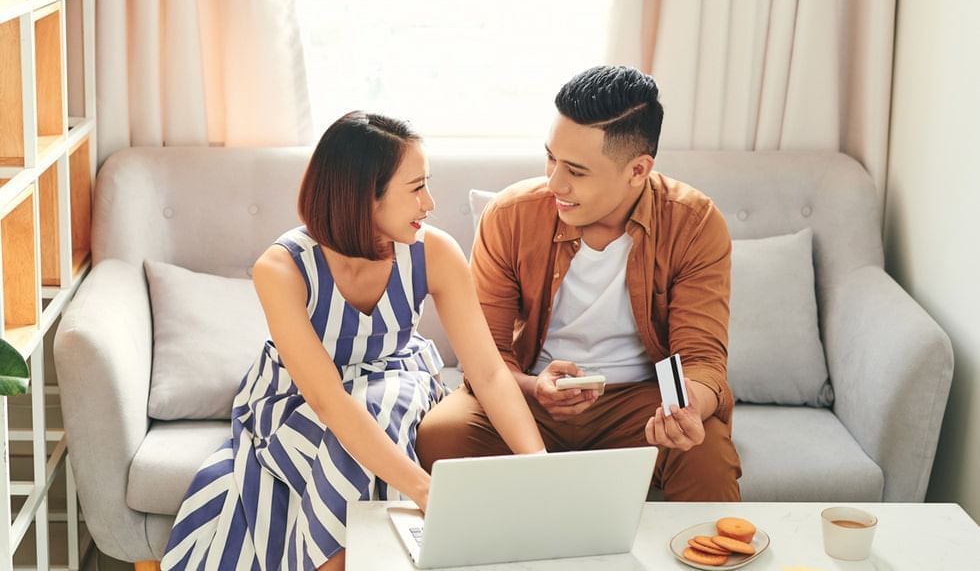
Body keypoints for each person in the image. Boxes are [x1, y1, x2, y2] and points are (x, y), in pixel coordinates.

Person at [161, 112, 545, 571]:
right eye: (416, 188)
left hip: (396, 378)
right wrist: (426, 491)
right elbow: (327, 400)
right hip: (298, 398)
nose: (431, 203)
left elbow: (486, 372)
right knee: (362, 420)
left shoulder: (434, 251)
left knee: (384, 402)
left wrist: (538, 469)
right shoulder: (281, 268)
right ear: (366, 196)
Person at [416, 65, 742, 501]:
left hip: (641, 405)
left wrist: (684, 411)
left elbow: (702, 359)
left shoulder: (694, 223)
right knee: (442, 435)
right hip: (530, 399)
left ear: (638, 169)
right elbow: (485, 355)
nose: (555, 182)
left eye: (576, 170)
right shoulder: (510, 216)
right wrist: (536, 389)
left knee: (706, 454)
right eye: (551, 157)